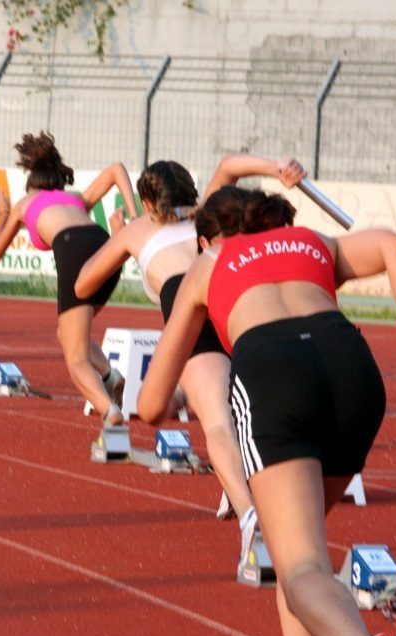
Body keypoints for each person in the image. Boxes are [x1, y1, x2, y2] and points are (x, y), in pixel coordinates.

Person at [138, 186, 396, 636]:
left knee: (300, 564)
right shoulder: (313, 242)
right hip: (352, 369)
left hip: (274, 373)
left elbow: (154, 404)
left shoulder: (208, 266)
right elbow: (394, 247)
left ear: (210, 237)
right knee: (300, 557)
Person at [75, 155, 306, 574]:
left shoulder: (137, 230)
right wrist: (278, 169)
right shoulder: (209, 211)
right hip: (238, 294)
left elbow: (83, 282)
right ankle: (241, 477)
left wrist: (122, 242)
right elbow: (230, 164)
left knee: (216, 419)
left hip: (189, 304)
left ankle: (250, 515)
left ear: (147, 203)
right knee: (245, 407)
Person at [0, 132, 138, 425]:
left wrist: (3, 215)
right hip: (107, 248)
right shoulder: (75, 198)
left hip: (75, 251)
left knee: (75, 358)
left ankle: (109, 411)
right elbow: (117, 168)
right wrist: (135, 218)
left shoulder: (23, 204)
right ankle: (110, 376)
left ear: (32, 183)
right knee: (66, 335)